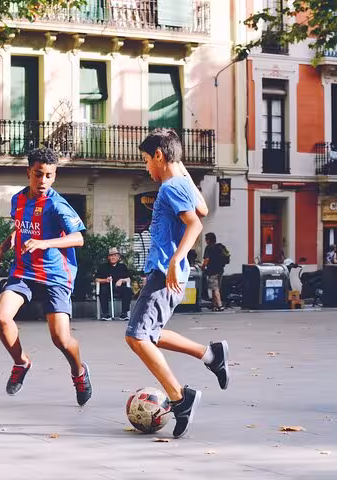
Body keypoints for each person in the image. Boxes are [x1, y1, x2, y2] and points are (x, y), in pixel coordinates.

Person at [125, 128, 230, 438]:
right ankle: (211, 354)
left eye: (146, 160)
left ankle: (180, 398)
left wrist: (174, 260)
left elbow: (195, 223)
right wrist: (179, 164)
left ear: (158, 156)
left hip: (164, 270)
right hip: (167, 271)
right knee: (150, 334)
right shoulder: (181, 182)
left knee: (137, 337)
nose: (146, 167)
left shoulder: (171, 187)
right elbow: (205, 209)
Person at [0, 147, 92, 406]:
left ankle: (79, 372)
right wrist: (2, 248)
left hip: (55, 276)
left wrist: (46, 243)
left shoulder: (57, 205)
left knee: (61, 339)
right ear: (29, 173)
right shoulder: (18, 200)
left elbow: (79, 238)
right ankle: (21, 362)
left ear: (54, 176)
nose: (43, 181)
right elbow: (20, 230)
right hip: (23, 271)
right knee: (1, 318)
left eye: (49, 175)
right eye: (38, 175)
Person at [96, 247, 133, 320]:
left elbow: (129, 279)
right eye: (111, 255)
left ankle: (124, 314)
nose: (113, 257)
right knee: (103, 291)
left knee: (127, 291)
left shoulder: (122, 267)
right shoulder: (103, 267)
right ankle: (106, 314)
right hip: (107, 287)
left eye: (115, 255)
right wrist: (105, 280)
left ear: (118, 257)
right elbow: (97, 279)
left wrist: (122, 280)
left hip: (118, 287)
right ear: (108, 257)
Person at [202, 232, 229, 312]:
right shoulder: (219, 247)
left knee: (215, 288)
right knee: (215, 288)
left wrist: (203, 266)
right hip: (220, 270)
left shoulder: (209, 248)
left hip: (212, 271)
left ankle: (220, 305)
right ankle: (214, 305)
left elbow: (206, 260)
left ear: (208, 240)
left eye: (206, 239)